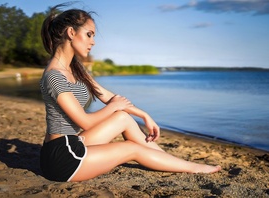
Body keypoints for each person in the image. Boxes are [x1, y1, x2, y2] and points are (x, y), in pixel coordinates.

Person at [39, 4, 221, 182]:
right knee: (132, 148)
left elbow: (108, 96)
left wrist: (143, 115)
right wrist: (113, 106)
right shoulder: (54, 77)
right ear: (71, 33)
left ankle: (171, 161)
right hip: (62, 159)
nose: (93, 42)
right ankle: (193, 168)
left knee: (123, 118)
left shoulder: (75, 69)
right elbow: (86, 122)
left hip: (74, 143)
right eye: (89, 35)